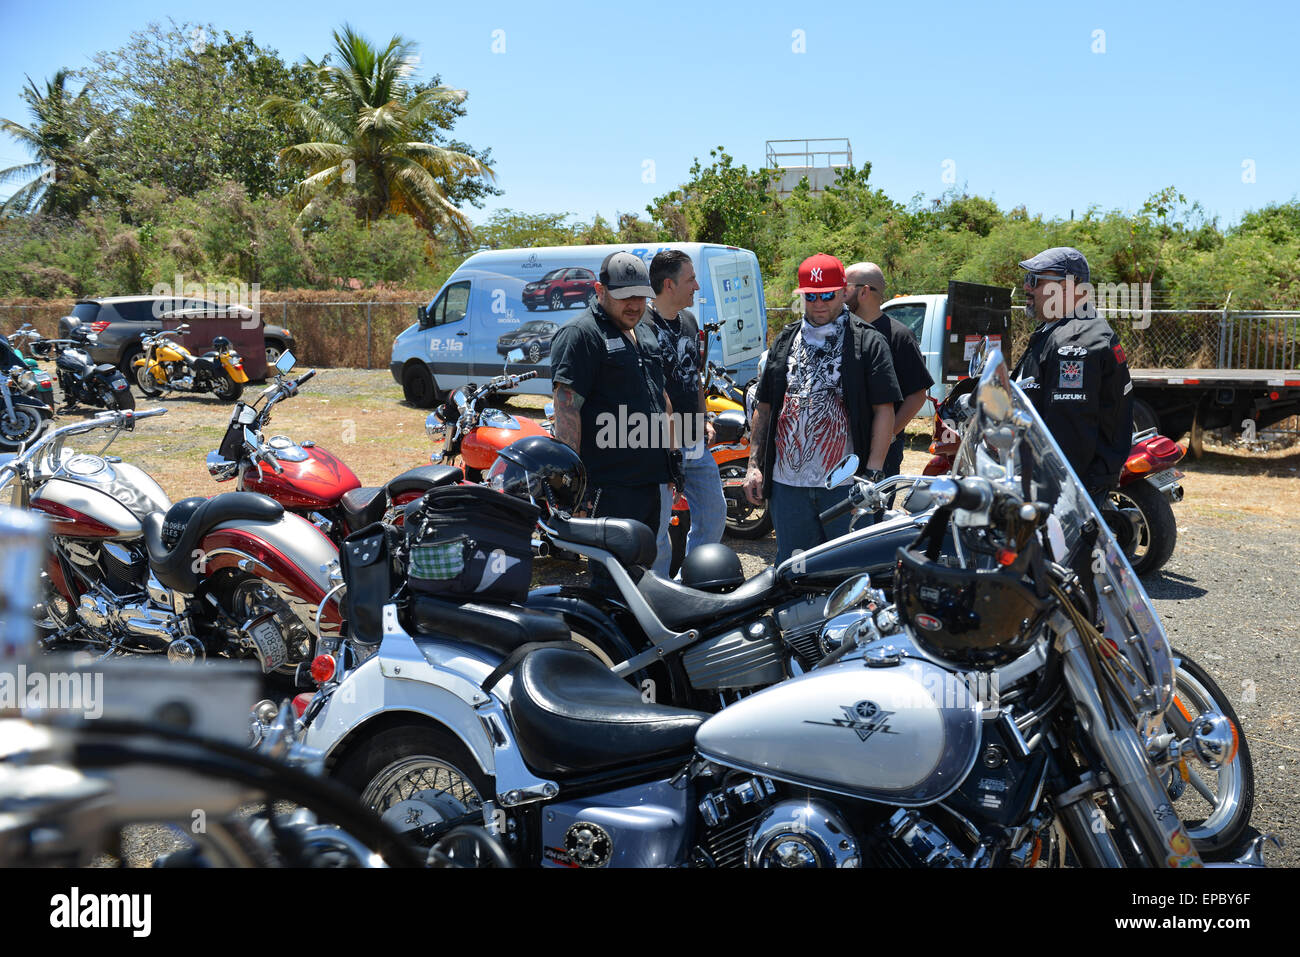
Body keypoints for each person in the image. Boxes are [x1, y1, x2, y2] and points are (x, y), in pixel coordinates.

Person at [742, 253, 901, 565]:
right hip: (788, 489)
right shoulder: (786, 339)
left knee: (848, 571)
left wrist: (872, 474)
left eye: (827, 295)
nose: (818, 304)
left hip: (844, 486)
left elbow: (884, 409)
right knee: (793, 571)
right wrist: (754, 465)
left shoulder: (867, 341)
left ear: (844, 292)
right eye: (810, 296)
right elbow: (764, 405)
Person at [550, 252, 683, 594]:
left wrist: (673, 457)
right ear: (600, 290)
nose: (635, 305)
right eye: (625, 297)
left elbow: (660, 394)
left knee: (645, 576)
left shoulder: (646, 331)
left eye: (640, 296)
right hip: (610, 488)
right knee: (613, 583)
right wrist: (571, 491)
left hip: (651, 481)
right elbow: (567, 412)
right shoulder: (580, 335)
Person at [1011, 246, 1133, 499]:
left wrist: (1051, 496)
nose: (1026, 287)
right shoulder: (1059, 328)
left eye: (1034, 280)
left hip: (1067, 487)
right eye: (1026, 279)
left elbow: (1070, 435)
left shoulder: (1076, 340)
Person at [644, 249, 726, 576]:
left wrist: (704, 417)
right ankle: (661, 593)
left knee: (713, 512)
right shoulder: (642, 327)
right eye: (690, 279)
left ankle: (693, 580)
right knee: (660, 526)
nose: (696, 286)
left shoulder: (690, 321)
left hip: (693, 440)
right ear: (669, 284)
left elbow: (695, 377)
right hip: (659, 444)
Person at [845, 261, 935, 477]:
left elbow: (917, 395)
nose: (838, 294)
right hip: (843, 447)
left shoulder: (899, 336)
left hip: (883, 453)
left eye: (844, 288)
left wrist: (886, 435)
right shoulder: (842, 332)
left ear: (864, 291)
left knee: (872, 510)